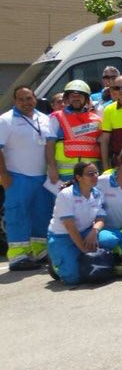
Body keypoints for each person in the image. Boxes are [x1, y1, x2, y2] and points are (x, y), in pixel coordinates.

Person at [0, 86, 57, 270]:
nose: (26, 102)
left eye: (29, 98)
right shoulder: (6, 120)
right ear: (15, 101)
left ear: (35, 98)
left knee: (41, 214)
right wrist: (3, 175)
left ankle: (39, 252)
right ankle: (18, 257)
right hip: (17, 176)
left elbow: (49, 145)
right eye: (21, 99)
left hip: (41, 177)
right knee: (17, 215)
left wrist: (52, 168)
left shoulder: (44, 118)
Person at [46, 162, 109, 285]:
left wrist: (94, 231)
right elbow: (70, 227)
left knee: (109, 239)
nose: (95, 176)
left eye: (96, 173)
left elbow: (101, 218)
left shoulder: (97, 193)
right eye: (90, 174)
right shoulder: (66, 195)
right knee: (73, 279)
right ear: (78, 177)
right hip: (63, 236)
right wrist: (85, 250)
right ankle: (55, 265)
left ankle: (77, 257)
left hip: (86, 231)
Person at [47, 80, 102, 183]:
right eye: (72, 96)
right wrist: (52, 168)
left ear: (86, 99)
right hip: (65, 174)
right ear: (67, 98)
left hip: (90, 174)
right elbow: (50, 144)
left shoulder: (97, 120)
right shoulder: (57, 117)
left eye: (80, 96)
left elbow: (103, 145)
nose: (76, 98)